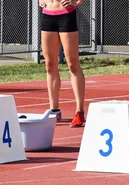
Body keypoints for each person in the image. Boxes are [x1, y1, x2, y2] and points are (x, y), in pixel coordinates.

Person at [39, 0, 86, 128]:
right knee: (49, 65)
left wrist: (76, 2)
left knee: (73, 64)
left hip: (66, 14)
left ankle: (79, 111)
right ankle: (54, 110)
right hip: (48, 14)